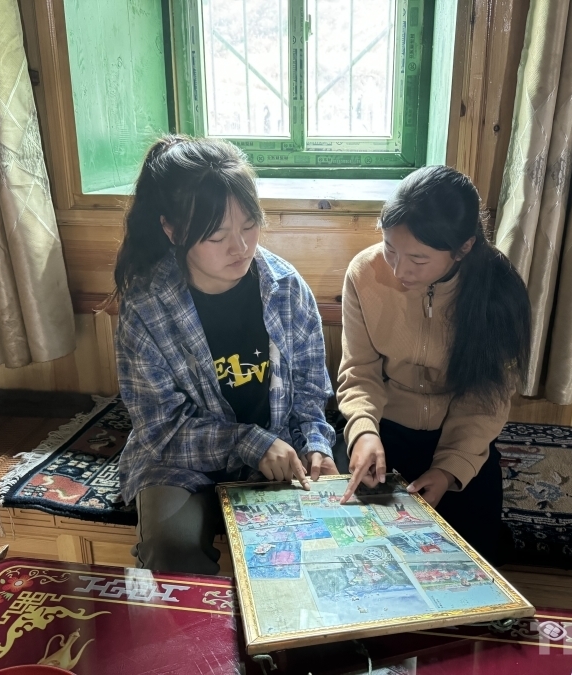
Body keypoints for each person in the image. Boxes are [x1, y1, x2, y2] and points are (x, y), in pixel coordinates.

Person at [113, 135, 337, 574]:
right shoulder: (147, 305)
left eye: (249, 226)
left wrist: (316, 446)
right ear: (173, 231)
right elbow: (161, 431)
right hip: (180, 464)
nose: (241, 247)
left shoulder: (286, 289)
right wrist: (247, 442)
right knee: (171, 547)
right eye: (217, 236)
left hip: (279, 447)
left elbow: (312, 395)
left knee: (325, 534)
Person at [337, 165, 531, 562]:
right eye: (390, 248)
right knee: (365, 556)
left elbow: (486, 399)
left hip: (462, 438)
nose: (399, 270)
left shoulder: (498, 289)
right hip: (385, 432)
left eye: (418, 259)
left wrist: (448, 469)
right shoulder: (364, 273)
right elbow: (360, 371)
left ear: (463, 248)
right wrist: (363, 432)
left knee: (467, 564)